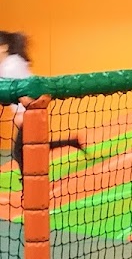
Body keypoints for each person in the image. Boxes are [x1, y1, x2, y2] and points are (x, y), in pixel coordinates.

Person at [1, 31, 85, 178]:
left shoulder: (12, 65)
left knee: (20, 151)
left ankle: (27, 182)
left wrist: (21, 113)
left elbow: (24, 88)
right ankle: (71, 142)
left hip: (30, 111)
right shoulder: (7, 64)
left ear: (4, 47)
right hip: (29, 111)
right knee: (33, 145)